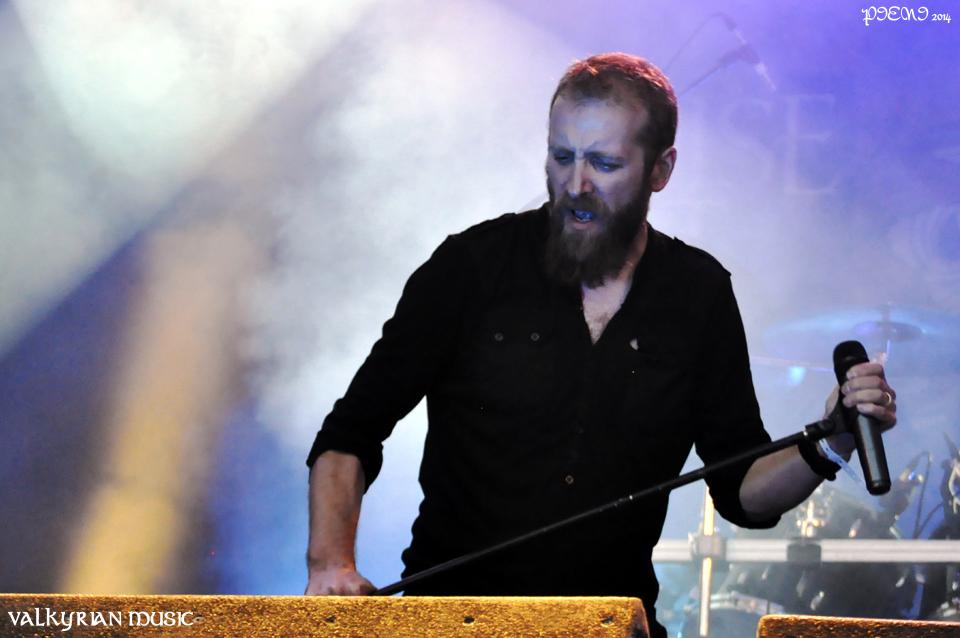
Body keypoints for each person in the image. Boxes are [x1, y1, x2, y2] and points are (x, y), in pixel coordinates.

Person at [302, 53, 898, 637]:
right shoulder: (471, 266)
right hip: (454, 621)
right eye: (561, 157)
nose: (575, 185)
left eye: (605, 164)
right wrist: (330, 565)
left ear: (661, 170)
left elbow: (742, 489)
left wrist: (834, 438)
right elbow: (350, 433)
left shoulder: (697, 293)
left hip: (610, 624)